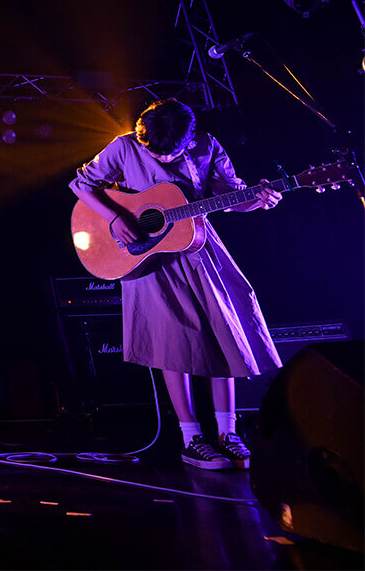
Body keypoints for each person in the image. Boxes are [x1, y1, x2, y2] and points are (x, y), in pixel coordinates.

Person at [69, 98, 282, 471]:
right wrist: (115, 217)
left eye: (175, 154)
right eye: (156, 153)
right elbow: (81, 184)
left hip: (199, 249)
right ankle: (190, 437)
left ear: (189, 139)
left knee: (222, 335)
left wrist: (259, 201)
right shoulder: (124, 147)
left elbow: (229, 200)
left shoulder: (207, 145)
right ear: (142, 135)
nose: (165, 159)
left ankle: (227, 433)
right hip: (149, 257)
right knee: (172, 342)